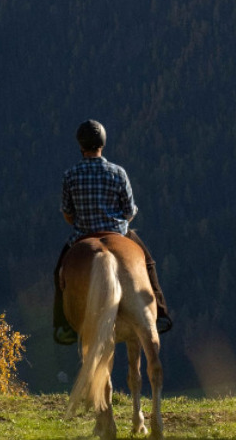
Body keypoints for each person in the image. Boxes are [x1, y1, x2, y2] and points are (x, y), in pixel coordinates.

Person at [52, 120, 173, 345]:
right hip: (118, 232)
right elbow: (129, 211)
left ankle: (64, 325)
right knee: (148, 263)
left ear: (81, 146)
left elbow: (68, 214)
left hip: (82, 235)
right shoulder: (118, 172)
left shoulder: (70, 175)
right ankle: (160, 313)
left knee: (59, 272)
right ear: (103, 144)